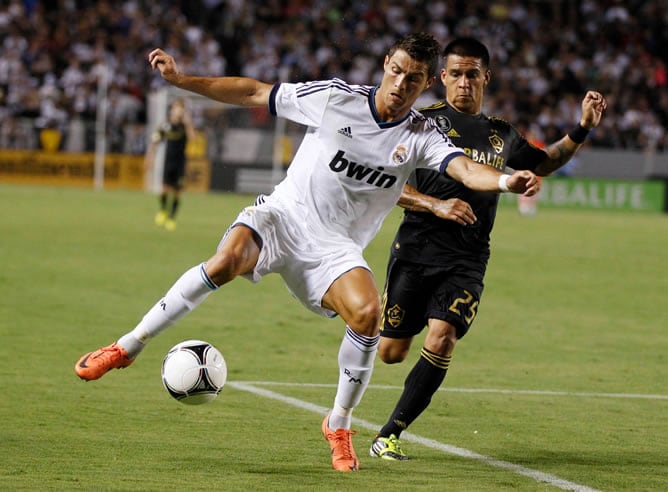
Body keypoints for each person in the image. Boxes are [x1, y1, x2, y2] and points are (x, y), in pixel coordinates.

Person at [74, 33, 540, 472]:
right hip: (283, 217)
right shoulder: (337, 98)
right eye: (397, 71)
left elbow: (464, 169)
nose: (402, 84)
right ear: (386, 65)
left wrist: (503, 180)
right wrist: (182, 81)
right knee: (226, 261)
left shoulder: (421, 133)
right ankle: (126, 346)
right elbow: (255, 93)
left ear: (424, 84)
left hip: (334, 249)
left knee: (368, 315)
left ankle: (338, 424)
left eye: (414, 78)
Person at [369, 37, 607, 461]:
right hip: (416, 249)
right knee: (391, 352)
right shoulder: (419, 123)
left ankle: (389, 434)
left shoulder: (501, 134)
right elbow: (385, 184)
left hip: (468, 258)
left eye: (472, 74)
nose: (463, 82)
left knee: (443, 339)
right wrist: (435, 205)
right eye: (455, 74)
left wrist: (582, 128)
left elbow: (542, 162)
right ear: (441, 77)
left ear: (486, 78)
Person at [145, 98, 196, 231]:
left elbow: (193, 139)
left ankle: (172, 218)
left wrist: (188, 123)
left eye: (180, 108)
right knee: (164, 189)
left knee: (177, 192)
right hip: (168, 162)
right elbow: (154, 142)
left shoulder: (185, 126)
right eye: (175, 108)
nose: (177, 111)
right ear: (172, 110)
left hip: (180, 163)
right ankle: (163, 210)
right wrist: (150, 158)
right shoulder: (165, 126)